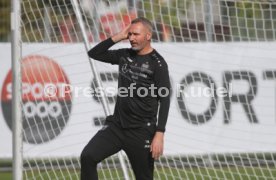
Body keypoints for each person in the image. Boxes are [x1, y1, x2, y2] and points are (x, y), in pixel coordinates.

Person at [81, 17, 171, 180]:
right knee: (88, 156)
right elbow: (94, 53)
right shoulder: (124, 55)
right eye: (129, 34)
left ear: (148, 36)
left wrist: (159, 133)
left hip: (141, 131)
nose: (131, 38)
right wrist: (118, 36)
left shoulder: (158, 64)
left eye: (136, 34)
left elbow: (165, 99)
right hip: (117, 126)